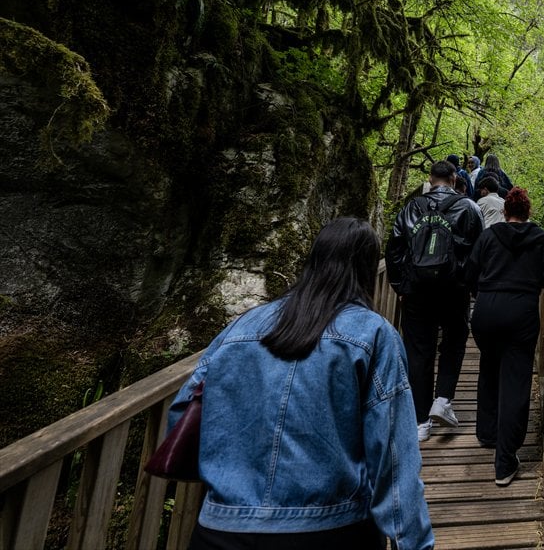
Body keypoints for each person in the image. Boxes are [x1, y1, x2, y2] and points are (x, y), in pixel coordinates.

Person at [165, 218, 434, 550]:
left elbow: (182, 412)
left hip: (222, 528)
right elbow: (393, 455)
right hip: (332, 527)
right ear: (366, 269)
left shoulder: (241, 326)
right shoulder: (373, 333)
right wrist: (415, 542)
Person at [462, 188, 544, 486]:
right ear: (528, 212)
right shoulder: (539, 237)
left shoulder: (488, 236)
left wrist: (483, 292)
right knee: (515, 380)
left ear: (505, 212)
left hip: (487, 312)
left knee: (490, 366)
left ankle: (487, 432)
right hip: (521, 311)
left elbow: (470, 271)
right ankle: (504, 462)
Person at [386, 160, 483, 441]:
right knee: (454, 340)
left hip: (416, 289)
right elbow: (479, 252)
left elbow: (395, 248)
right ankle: (443, 400)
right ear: (454, 178)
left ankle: (420, 422)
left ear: (430, 179)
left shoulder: (411, 208)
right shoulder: (469, 207)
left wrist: (399, 286)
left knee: (418, 350)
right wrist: (472, 287)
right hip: (454, 289)